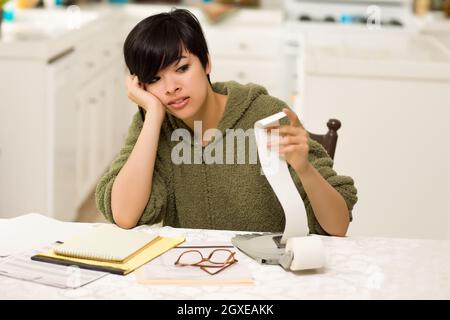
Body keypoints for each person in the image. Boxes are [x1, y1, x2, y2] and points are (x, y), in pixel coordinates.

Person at [95, 8, 358, 236]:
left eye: (182, 68)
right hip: (194, 273)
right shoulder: (154, 122)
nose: (171, 88)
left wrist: (305, 169)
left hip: (267, 280)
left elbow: (338, 226)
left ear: (207, 62)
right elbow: (125, 216)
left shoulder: (266, 114)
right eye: (154, 79)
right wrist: (152, 113)